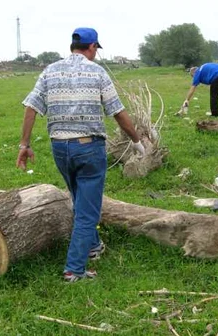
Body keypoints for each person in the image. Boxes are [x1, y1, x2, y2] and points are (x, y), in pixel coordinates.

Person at [16, 27, 145, 282]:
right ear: (92, 47)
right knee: (88, 211)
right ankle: (74, 269)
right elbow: (118, 112)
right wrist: (137, 141)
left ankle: (94, 246)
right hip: (89, 148)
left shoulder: (50, 70)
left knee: (79, 198)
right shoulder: (97, 72)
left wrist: (24, 145)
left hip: (60, 148)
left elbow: (31, 107)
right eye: (96, 48)